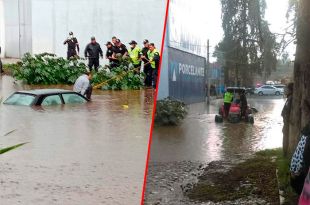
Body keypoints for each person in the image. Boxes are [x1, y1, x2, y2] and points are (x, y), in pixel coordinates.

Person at [290, 123, 310, 194]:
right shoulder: (307, 138)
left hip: (297, 171)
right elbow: (304, 157)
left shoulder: (305, 134)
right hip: (300, 174)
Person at [282, 82, 294, 157]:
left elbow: (287, 111)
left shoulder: (291, 98)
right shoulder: (289, 98)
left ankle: (285, 153)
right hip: (286, 122)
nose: (285, 90)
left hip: (288, 123)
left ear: (290, 90)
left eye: (286, 89)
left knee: (286, 137)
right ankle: (285, 153)